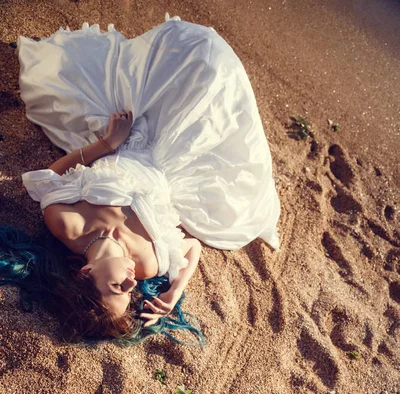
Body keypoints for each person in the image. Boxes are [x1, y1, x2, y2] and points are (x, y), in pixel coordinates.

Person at [1, 15, 280, 345]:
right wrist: (176, 290)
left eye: (118, 287)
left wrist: (107, 144)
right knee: (211, 71)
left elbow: (53, 173)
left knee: (187, 47)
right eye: (129, 295)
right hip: (170, 161)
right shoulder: (147, 265)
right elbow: (191, 247)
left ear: (86, 273)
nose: (133, 285)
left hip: (124, 139)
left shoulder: (67, 225)